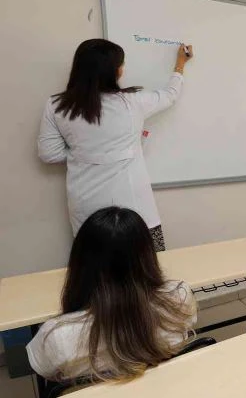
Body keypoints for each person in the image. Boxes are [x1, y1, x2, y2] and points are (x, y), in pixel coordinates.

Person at [38, 39, 192, 251]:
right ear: (115, 71)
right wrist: (180, 65)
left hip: (87, 211)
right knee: (146, 272)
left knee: (96, 275)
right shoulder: (132, 102)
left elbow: (49, 153)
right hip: (136, 209)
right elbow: (170, 95)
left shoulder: (56, 105)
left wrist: (82, 152)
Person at [26, 207, 197, 382]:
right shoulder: (180, 297)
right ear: (147, 256)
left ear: (79, 263)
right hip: (166, 397)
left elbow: (46, 370)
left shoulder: (56, 335)